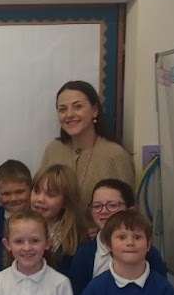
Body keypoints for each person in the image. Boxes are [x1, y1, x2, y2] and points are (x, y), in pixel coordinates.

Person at [40, 80, 135, 210]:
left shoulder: (115, 154)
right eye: (62, 109)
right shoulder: (53, 149)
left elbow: (129, 210)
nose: (69, 114)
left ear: (95, 110)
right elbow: (41, 196)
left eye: (77, 107)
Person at [69, 178, 167, 295]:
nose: (103, 211)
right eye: (97, 206)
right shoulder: (84, 255)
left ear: (131, 210)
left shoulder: (148, 253)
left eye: (112, 205)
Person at [30, 164, 86, 277]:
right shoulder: (18, 229)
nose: (40, 199)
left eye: (50, 195)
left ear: (66, 201)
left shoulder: (78, 243)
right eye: (36, 191)